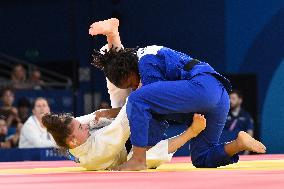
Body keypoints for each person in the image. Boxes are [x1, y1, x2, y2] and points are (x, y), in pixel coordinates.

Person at [90, 18, 266, 171]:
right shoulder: (142, 61)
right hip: (218, 98)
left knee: (137, 99)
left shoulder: (146, 62)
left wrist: (115, 117)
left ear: (130, 69)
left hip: (202, 87)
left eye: (132, 83)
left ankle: (138, 159)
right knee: (201, 158)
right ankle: (239, 143)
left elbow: (146, 107)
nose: (135, 86)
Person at [42, 102, 206, 170]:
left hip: (122, 137)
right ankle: (192, 132)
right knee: (145, 156)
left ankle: (113, 39)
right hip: (128, 154)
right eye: (80, 127)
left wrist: (107, 112)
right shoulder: (96, 152)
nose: (84, 125)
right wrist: (141, 93)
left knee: (104, 112)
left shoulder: (72, 135)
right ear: (73, 141)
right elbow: (122, 123)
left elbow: (92, 118)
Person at [220, 90, 254, 155]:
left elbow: (250, 134)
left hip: (239, 154)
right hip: (222, 153)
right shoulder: (223, 115)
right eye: (229, 98)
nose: (230, 101)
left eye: (233, 98)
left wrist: (246, 153)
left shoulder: (246, 117)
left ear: (240, 100)